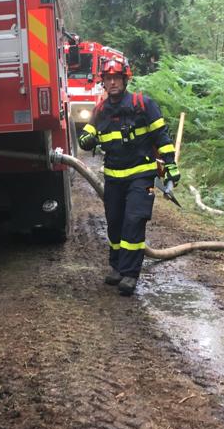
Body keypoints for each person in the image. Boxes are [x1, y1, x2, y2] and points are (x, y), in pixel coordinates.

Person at [77, 59, 180, 296]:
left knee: (134, 221)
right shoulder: (100, 110)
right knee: (114, 222)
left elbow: (162, 137)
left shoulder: (142, 104)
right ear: (103, 82)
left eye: (117, 78)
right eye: (108, 78)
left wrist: (171, 166)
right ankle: (116, 266)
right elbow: (87, 134)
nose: (112, 82)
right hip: (114, 178)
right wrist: (86, 139)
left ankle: (130, 274)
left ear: (125, 80)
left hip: (142, 176)